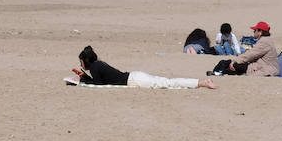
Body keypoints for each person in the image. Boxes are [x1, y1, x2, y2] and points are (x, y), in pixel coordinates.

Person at [72, 45, 216, 89]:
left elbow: (98, 84)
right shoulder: (98, 65)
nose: (80, 65)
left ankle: (202, 82)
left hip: (135, 81)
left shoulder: (96, 67)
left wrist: (83, 79)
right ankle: (201, 82)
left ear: (86, 61)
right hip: (135, 77)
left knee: (168, 83)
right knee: (167, 82)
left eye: (81, 62)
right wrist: (84, 76)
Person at [211, 21, 280, 76]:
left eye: (255, 30)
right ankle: (218, 72)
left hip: (265, 69)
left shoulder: (264, 42)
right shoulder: (266, 40)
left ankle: (219, 73)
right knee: (226, 62)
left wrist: (235, 60)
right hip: (260, 65)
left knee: (234, 65)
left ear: (260, 32)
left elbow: (251, 55)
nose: (253, 32)